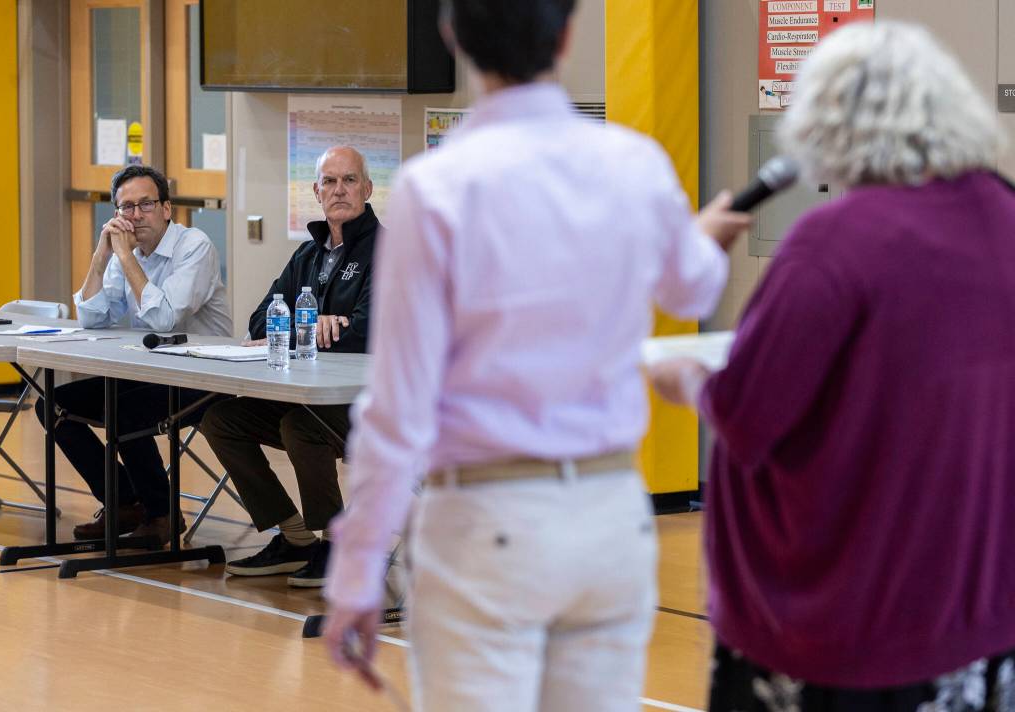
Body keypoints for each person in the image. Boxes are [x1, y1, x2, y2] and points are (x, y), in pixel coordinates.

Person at [320, 2, 750, 709]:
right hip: (612, 514)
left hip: (488, 520)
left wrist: (357, 570)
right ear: (568, 34)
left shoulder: (439, 189)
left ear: (452, 36)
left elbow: (398, 408)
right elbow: (693, 281)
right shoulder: (633, 163)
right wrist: (703, 232)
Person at [647, 21, 1015, 710]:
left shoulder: (837, 240)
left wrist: (686, 379)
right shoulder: (1003, 215)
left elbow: (748, 412)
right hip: (975, 604)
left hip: (852, 614)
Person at [199, 146, 378, 588]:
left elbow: (367, 330)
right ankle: (297, 539)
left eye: (349, 180)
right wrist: (314, 323)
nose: (339, 190)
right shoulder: (308, 255)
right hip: (310, 394)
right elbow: (260, 321)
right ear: (316, 192)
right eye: (330, 182)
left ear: (368, 189)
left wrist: (312, 327)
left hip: (371, 405)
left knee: (302, 426)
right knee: (221, 419)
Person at [35, 164, 232, 542]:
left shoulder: (195, 246)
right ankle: (126, 503)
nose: (135, 215)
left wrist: (125, 258)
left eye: (145, 204)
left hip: (205, 375)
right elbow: (92, 318)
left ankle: (163, 514)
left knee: (122, 412)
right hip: (149, 372)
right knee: (54, 406)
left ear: (167, 209)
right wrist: (101, 254)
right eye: (126, 208)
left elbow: (164, 319)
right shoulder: (124, 251)